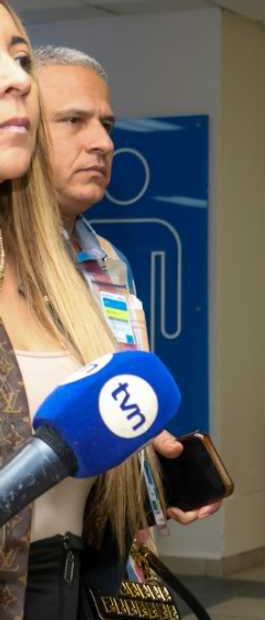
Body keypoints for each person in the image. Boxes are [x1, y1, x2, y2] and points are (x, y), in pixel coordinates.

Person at [33, 44, 220, 527]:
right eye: (73, 121)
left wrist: (154, 471)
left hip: (109, 545)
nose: (103, 143)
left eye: (107, 125)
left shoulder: (110, 265)